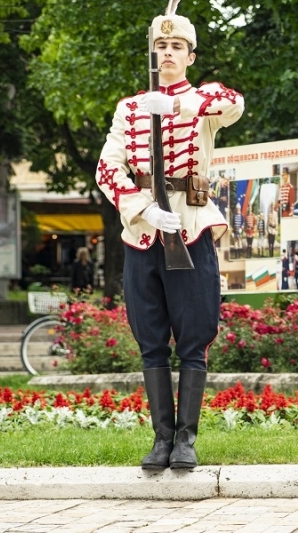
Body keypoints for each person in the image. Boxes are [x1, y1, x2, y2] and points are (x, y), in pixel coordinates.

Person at [94, 6, 244, 471]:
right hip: (143, 231)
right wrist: (143, 208)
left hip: (192, 226)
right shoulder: (130, 108)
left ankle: (187, 439)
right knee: (151, 339)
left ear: (190, 56)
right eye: (160, 47)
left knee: (193, 339)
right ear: (151, 53)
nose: (167, 54)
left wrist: (178, 103)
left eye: (176, 47)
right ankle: (161, 439)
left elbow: (233, 102)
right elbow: (107, 167)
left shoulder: (203, 104)